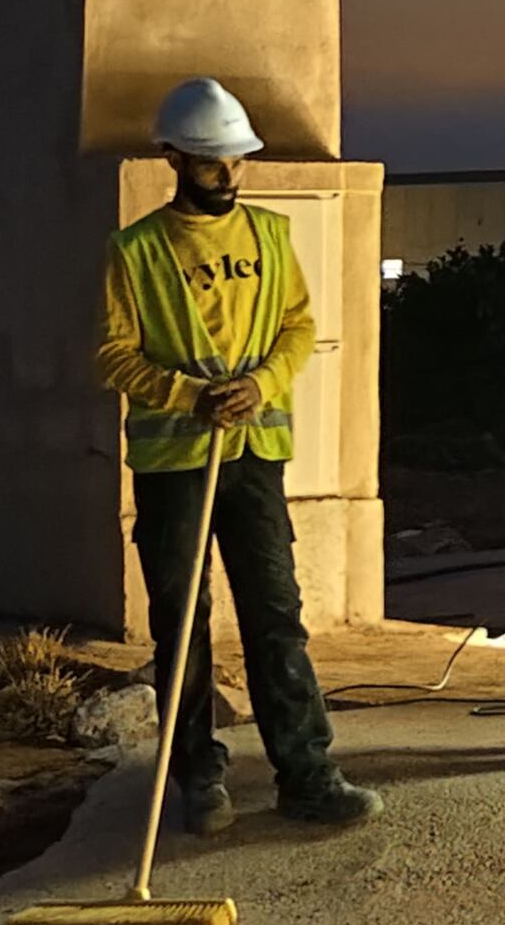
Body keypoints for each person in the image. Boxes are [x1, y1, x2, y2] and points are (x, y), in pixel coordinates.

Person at [93, 76, 377, 836]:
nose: (228, 175)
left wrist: (261, 384)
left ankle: (307, 773)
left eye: (235, 161)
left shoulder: (270, 237)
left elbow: (297, 327)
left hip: (255, 455)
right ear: (174, 159)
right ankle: (197, 776)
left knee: (275, 613)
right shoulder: (137, 251)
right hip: (175, 465)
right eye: (212, 163)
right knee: (182, 623)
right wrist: (189, 395)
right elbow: (114, 353)